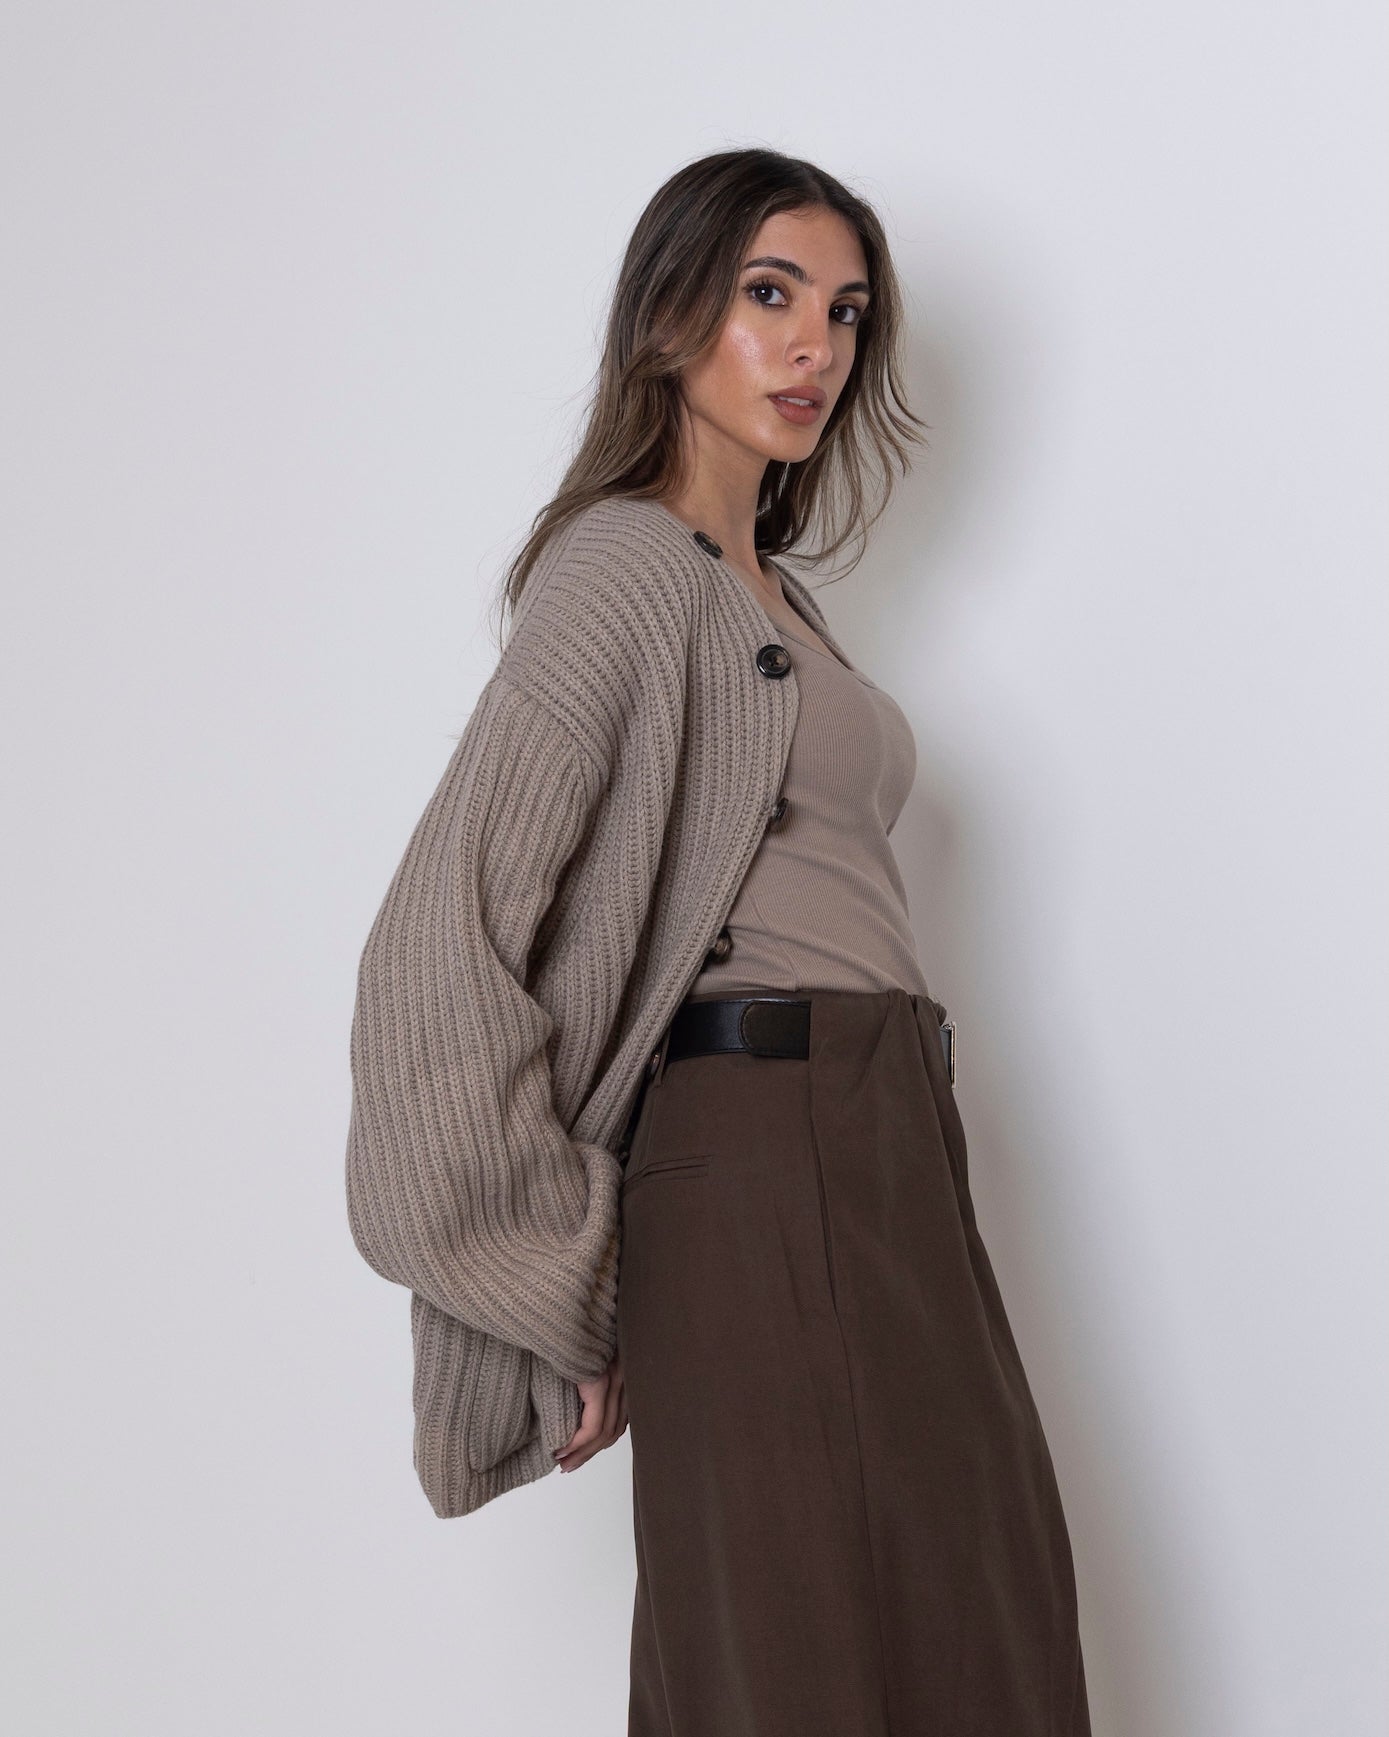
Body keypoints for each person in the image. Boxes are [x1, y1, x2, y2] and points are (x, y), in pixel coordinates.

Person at [345, 146, 1092, 1737]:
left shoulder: (778, 601)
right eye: (770, 295)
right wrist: (559, 1274)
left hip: (890, 1148)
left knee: (977, 1615)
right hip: (759, 1151)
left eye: (845, 311)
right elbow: (432, 952)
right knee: (793, 1637)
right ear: (667, 319)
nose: (815, 344)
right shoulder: (624, 572)